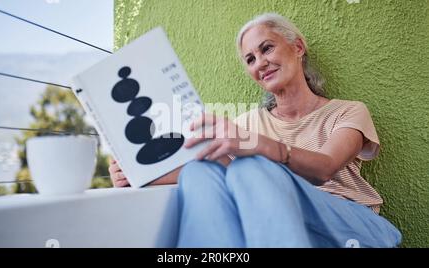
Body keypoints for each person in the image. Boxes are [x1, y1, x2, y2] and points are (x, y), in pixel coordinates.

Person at [109, 13, 402, 248]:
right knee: (201, 172)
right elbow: (203, 164)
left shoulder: (347, 111)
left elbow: (323, 168)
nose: (260, 62)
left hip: (352, 227)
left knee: (251, 169)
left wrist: (260, 146)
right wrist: (136, 174)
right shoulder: (249, 123)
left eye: (267, 48)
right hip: (287, 228)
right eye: (250, 59)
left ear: (297, 47)